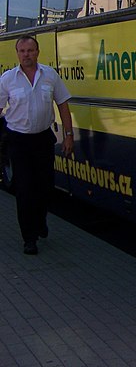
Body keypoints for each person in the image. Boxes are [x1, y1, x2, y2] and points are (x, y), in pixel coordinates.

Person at [0, 36, 73, 255]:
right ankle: (29, 238)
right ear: (17, 53)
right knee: (24, 189)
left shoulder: (50, 75)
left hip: (42, 139)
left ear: (38, 52)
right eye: (22, 51)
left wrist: (68, 135)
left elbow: (63, 105)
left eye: (30, 50)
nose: (26, 55)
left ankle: (40, 221)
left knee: (45, 187)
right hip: (18, 141)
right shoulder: (7, 79)